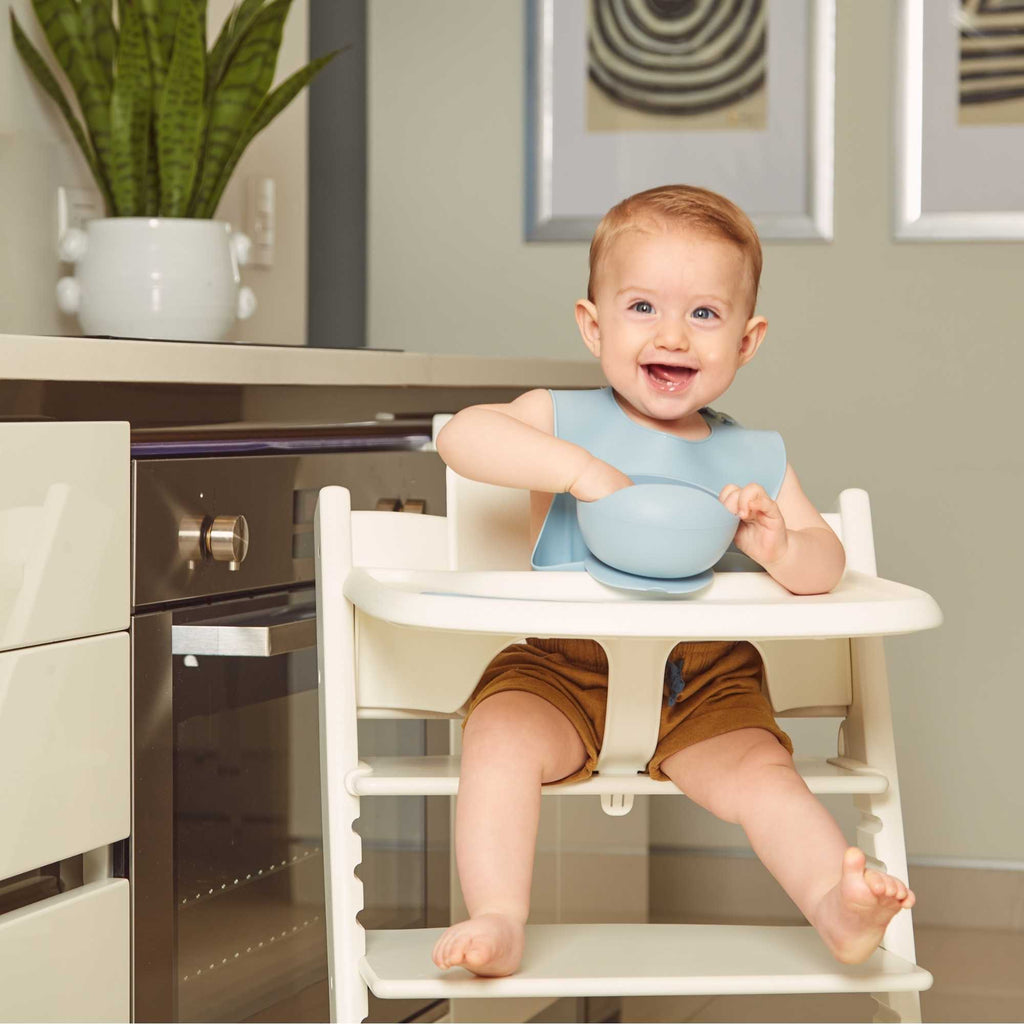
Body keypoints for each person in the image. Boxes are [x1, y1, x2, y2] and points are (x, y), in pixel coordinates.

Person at [431, 184, 915, 978]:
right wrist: (579, 472)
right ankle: (498, 912)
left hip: (705, 685)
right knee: (498, 738)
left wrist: (778, 542)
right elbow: (462, 437)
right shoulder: (559, 418)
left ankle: (838, 904)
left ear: (747, 340)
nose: (673, 336)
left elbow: (827, 565)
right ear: (594, 324)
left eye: (703, 315)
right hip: (563, 668)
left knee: (765, 776)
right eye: (643, 307)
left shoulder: (754, 455)